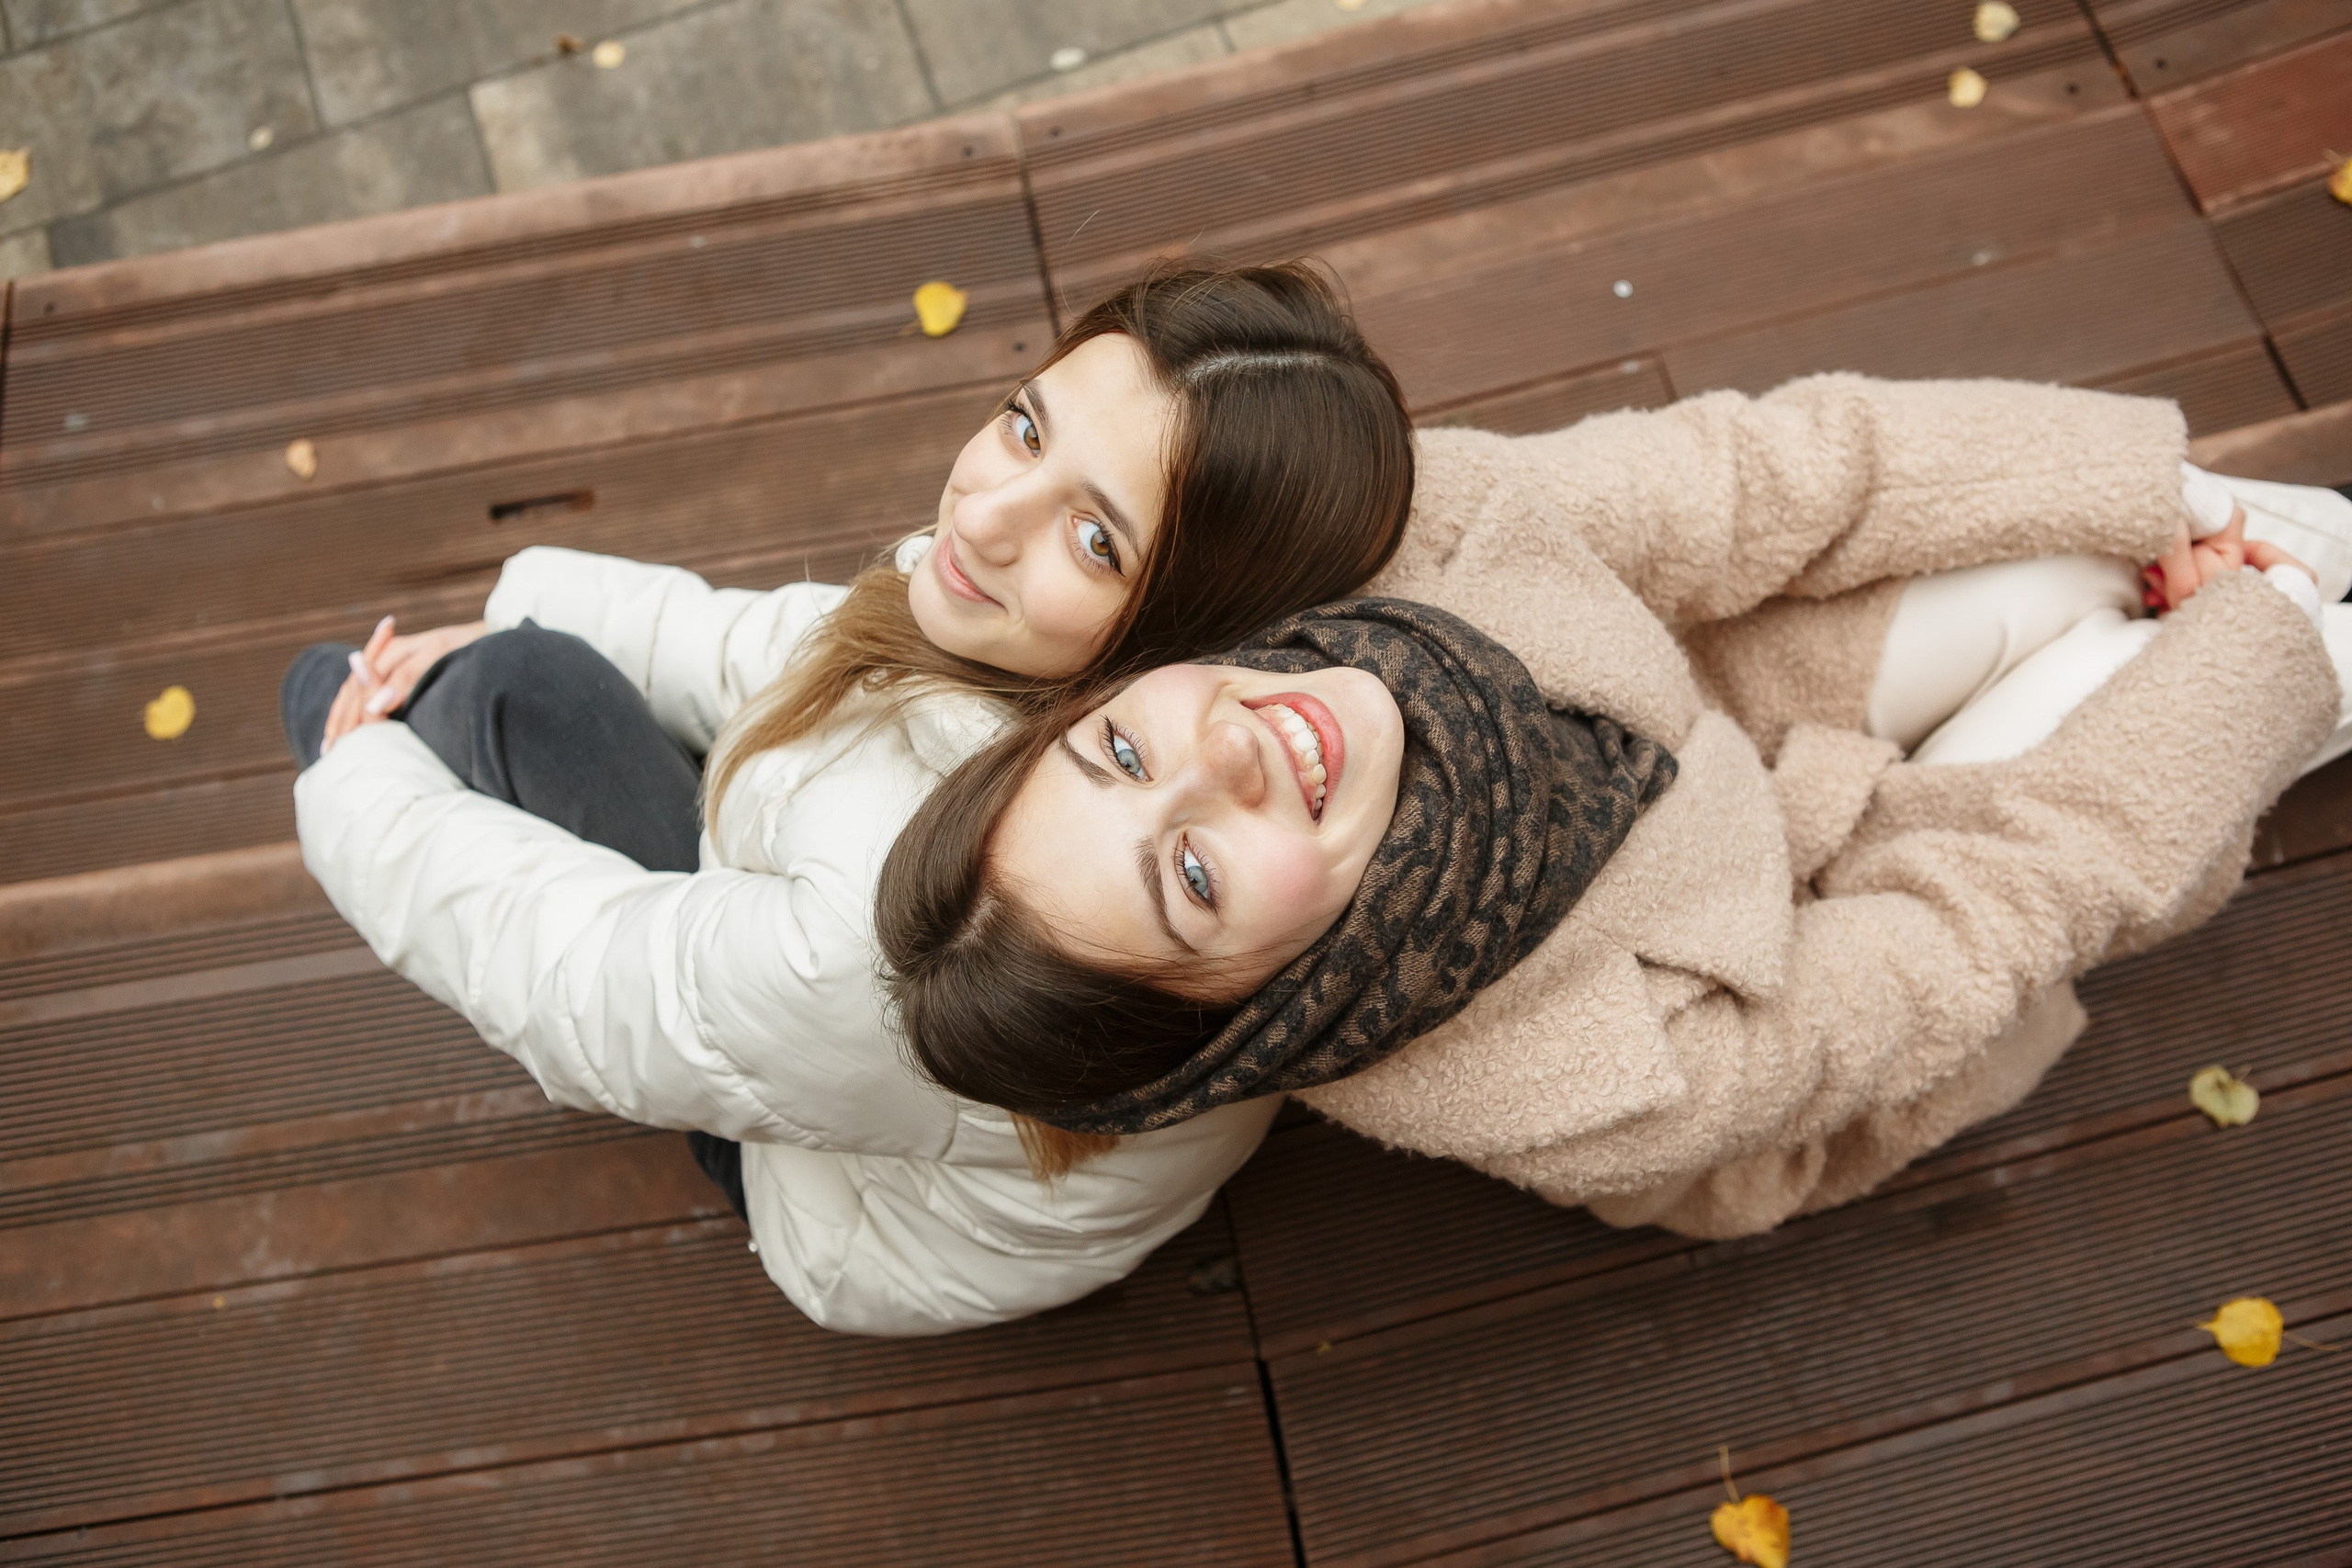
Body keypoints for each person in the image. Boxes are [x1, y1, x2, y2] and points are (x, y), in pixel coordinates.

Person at [877, 380, 2352, 1242]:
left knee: (2093, 543)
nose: (1228, 753)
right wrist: (2256, 635)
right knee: (2207, 671)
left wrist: (2165, 501)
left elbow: (1767, 473)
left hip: (1750, 714)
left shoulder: (1377, 547)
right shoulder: (1603, 1084)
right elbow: (1990, 910)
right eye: (1191, 872)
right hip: (1823, 927)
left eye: (1121, 757)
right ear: (1261, 1010)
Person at [288, 262, 1419, 1335]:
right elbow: (802, 651)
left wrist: (354, 785)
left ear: (1194, 622)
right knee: (519, 670)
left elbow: (576, 979)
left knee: (390, 697)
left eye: (1095, 539)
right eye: (1027, 425)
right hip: (841, 997)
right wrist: (531, 604)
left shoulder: (930, 930)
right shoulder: (1086, 669)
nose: (982, 516)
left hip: (841, 1201)